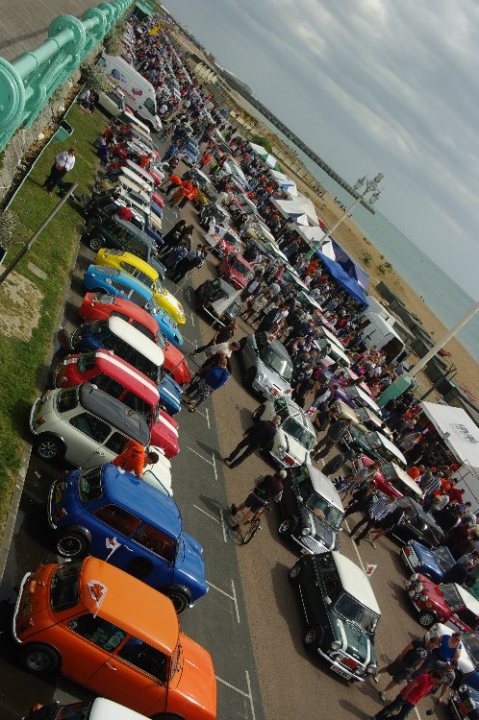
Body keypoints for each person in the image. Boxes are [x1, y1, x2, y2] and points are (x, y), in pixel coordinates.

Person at [373, 636, 441, 703]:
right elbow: (408, 648)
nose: (432, 647)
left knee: (397, 681)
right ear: (430, 641)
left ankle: (384, 691)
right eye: (432, 645)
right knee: (389, 670)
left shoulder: (429, 652)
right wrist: (401, 657)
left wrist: (415, 669)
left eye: (434, 646)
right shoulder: (419, 642)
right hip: (403, 661)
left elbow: (422, 660)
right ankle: (377, 672)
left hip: (409, 668)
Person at [372, 670, 444, 720]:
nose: (437, 682)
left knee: (401, 718)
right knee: (389, 709)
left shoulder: (433, 683)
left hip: (412, 702)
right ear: (433, 677)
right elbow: (411, 685)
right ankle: (377, 718)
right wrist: (404, 697)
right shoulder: (424, 677)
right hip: (405, 697)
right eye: (437, 680)